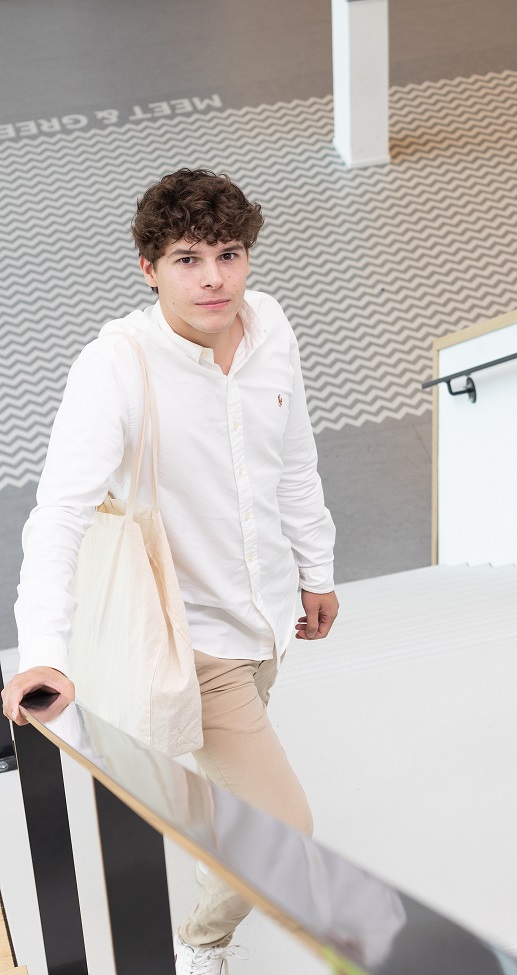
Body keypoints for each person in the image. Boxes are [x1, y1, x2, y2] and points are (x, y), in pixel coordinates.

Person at [2, 169, 339, 975]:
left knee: (236, 806)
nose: (214, 277)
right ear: (148, 268)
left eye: (229, 253)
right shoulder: (115, 367)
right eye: (187, 258)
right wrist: (40, 650)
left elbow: (293, 460)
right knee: (283, 828)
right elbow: (57, 517)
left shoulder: (272, 331)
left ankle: (213, 860)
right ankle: (201, 939)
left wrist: (316, 569)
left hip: (265, 622)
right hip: (191, 640)